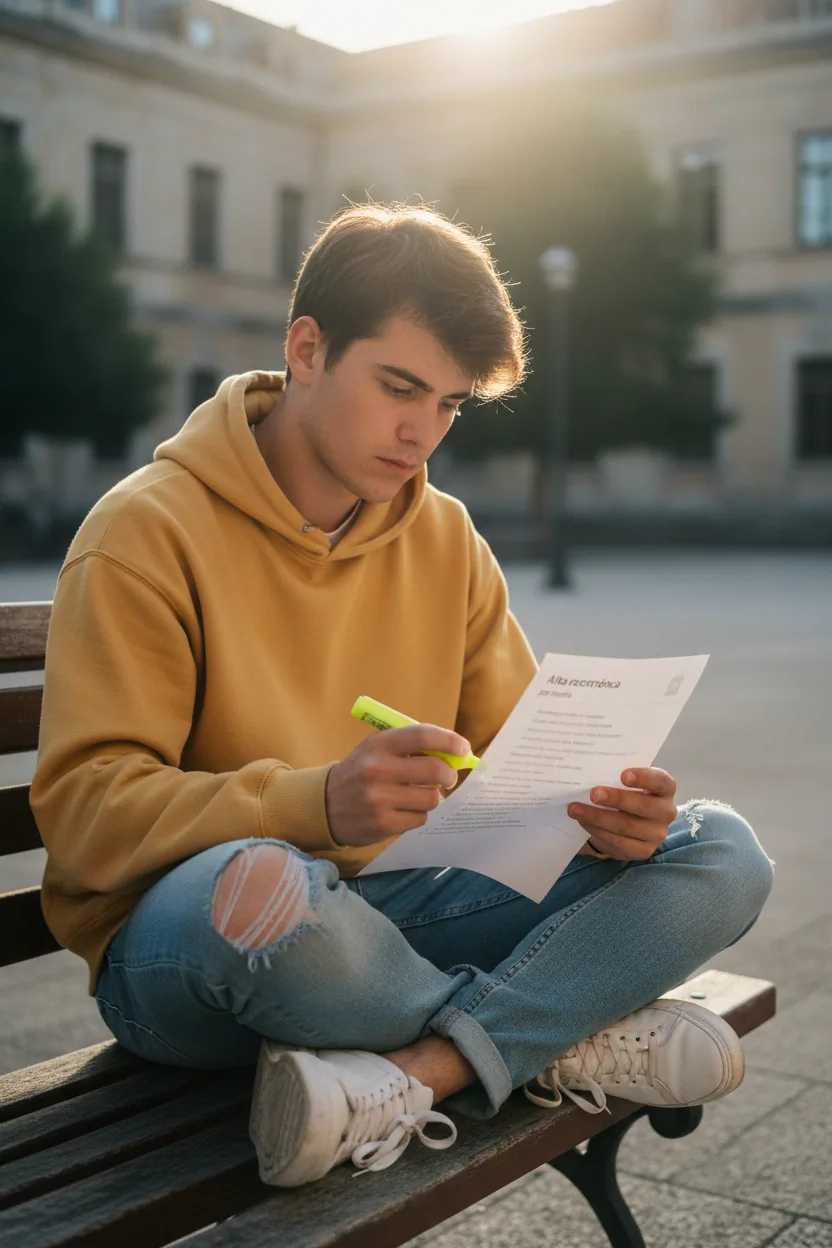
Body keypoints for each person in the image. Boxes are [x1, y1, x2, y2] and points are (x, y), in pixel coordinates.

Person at [31, 204, 774, 1189]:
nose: (420, 432)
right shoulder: (145, 531)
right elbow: (86, 815)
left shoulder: (445, 537)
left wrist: (606, 823)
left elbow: (516, 771)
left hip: (398, 917)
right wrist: (312, 803)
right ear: (306, 348)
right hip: (202, 950)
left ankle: (426, 1069)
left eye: (450, 405)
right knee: (266, 889)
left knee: (719, 850)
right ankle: (555, 1037)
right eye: (397, 387)